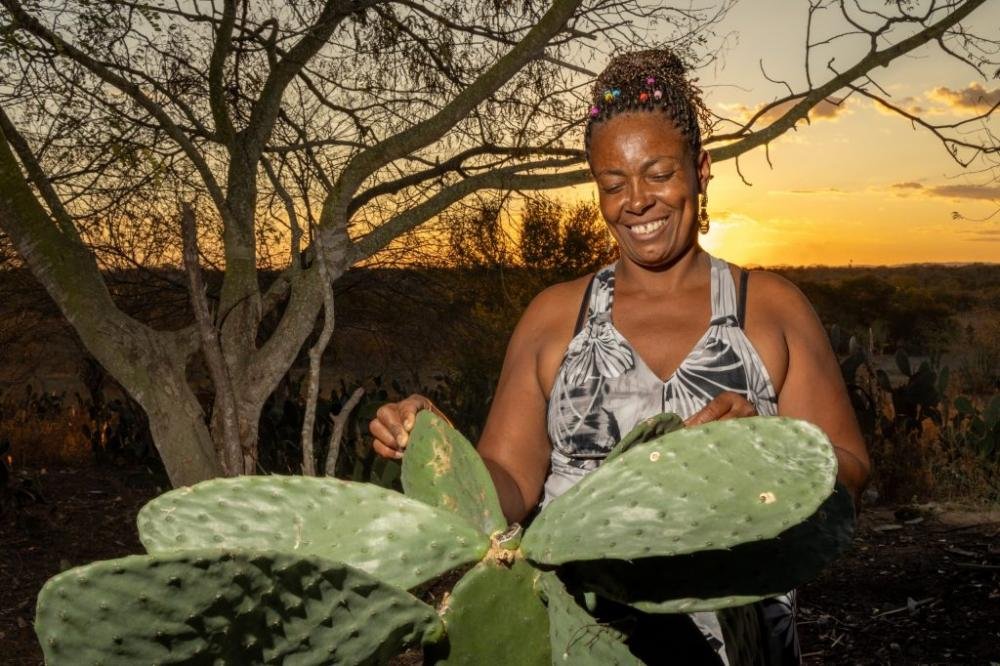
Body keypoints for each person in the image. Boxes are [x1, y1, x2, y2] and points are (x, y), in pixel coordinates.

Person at [370, 49, 870, 665]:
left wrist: (767, 450)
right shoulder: (556, 316)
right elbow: (510, 490)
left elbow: (849, 467)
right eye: (613, 183)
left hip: (739, 640)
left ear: (701, 170)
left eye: (659, 173)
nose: (636, 200)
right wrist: (439, 446)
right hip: (587, 640)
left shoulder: (768, 308)